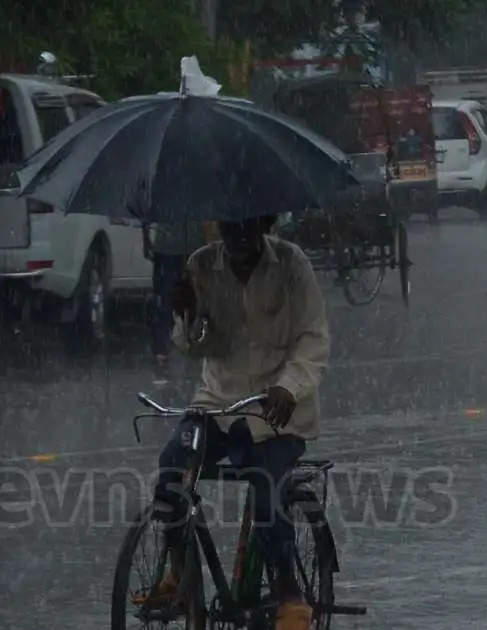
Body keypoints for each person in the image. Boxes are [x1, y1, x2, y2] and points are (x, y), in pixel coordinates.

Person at [140, 214, 329, 630]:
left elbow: (313, 338)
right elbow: (198, 348)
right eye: (229, 226)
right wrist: (187, 316)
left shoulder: (292, 264)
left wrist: (289, 386)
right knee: (172, 466)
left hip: (278, 410)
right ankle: (176, 571)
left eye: (246, 226)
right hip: (218, 404)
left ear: (264, 223)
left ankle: (289, 594)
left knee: (267, 492)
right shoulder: (202, 265)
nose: (237, 236)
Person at [145, 217, 219, 382]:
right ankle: (181, 346)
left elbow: (148, 212)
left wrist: (146, 236)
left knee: (167, 299)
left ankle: (166, 350)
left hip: (171, 245)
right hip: (187, 245)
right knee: (187, 299)